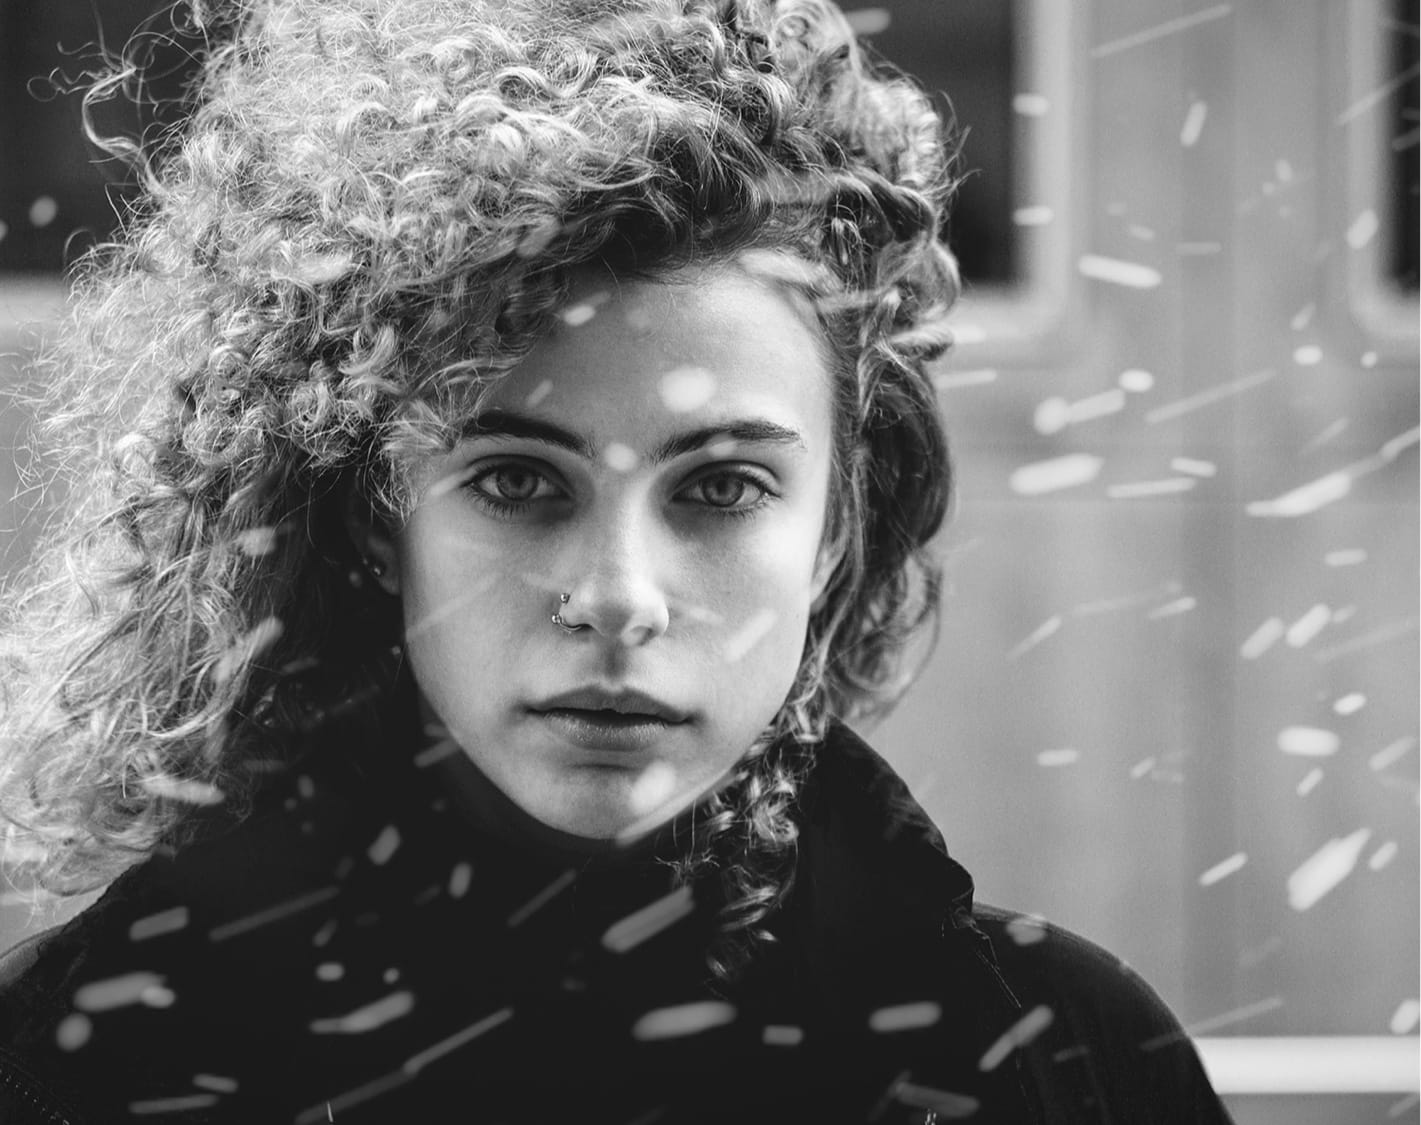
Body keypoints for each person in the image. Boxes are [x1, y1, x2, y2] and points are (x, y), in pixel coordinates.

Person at [0, 0, 1235, 1120]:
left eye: (721, 488)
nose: (617, 598)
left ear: (833, 535)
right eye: (520, 482)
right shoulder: (74, 1062)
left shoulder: (1067, 1067)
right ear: (382, 521)